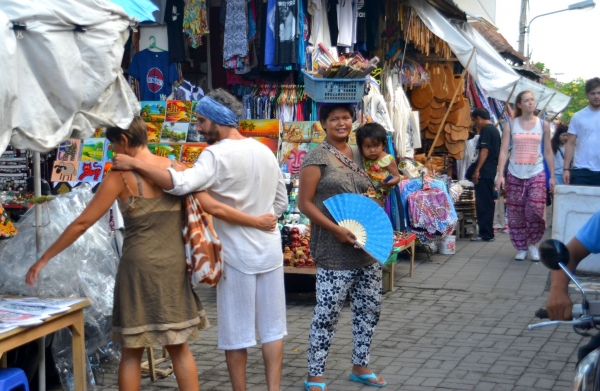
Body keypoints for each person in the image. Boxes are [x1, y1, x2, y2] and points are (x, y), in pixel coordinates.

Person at [25, 117, 277, 391]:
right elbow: (213, 208)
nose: (113, 153)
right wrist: (256, 221)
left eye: (113, 146)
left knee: (132, 350)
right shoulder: (177, 170)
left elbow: (82, 223)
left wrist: (45, 258)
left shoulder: (119, 177)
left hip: (137, 270)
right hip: (173, 268)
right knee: (178, 347)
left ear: (123, 140)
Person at [111, 90, 288, 391]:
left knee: (237, 333)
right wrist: (260, 219)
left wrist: (137, 165)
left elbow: (180, 184)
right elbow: (281, 202)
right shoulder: (264, 150)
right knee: (273, 329)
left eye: (203, 121)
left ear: (219, 119)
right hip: (269, 249)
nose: (200, 128)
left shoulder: (215, 154)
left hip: (236, 255)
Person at [298, 104, 386, 391]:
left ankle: (360, 366)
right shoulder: (317, 157)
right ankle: (315, 375)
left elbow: (380, 184)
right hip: (333, 248)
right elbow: (305, 203)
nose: (341, 123)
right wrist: (335, 229)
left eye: (346, 118)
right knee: (327, 313)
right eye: (334, 118)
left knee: (369, 309)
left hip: (367, 245)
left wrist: (390, 184)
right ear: (323, 123)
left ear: (353, 120)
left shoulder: (364, 152)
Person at [496, 91, 555, 261]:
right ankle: (521, 247)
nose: (530, 103)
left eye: (532, 99)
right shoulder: (511, 125)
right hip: (514, 173)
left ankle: (533, 244)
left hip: (536, 172)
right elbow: (503, 150)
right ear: (519, 105)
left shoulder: (543, 125)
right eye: (526, 100)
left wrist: (552, 176)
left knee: (535, 209)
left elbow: (548, 151)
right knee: (516, 212)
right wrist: (500, 175)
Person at [470, 107, 501, 242]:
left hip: (485, 171)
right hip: (490, 170)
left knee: (483, 203)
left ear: (478, 118)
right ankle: (487, 232)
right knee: (487, 202)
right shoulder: (494, 130)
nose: (476, 125)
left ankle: (486, 234)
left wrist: (477, 170)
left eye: (475, 121)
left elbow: (484, 151)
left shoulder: (487, 130)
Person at [563, 77, 600, 186]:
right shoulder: (578, 116)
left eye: (599, 93)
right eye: (593, 93)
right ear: (587, 95)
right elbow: (570, 143)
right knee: (578, 202)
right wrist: (566, 169)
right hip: (581, 169)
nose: (596, 96)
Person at [355, 122, 401, 199]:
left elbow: (396, 177)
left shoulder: (387, 160)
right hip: (366, 191)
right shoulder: (362, 157)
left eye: (376, 146)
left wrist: (388, 182)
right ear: (360, 147)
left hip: (382, 193)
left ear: (383, 145)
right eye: (367, 147)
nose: (372, 150)